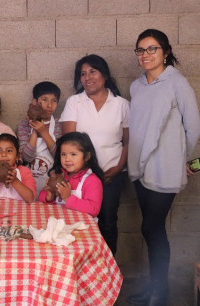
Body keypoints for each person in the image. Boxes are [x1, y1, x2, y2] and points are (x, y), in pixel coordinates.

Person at [126, 29, 200, 306]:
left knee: (152, 226)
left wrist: (186, 161)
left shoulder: (177, 83)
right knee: (150, 229)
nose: (145, 55)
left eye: (152, 49)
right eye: (141, 50)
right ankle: (153, 287)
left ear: (165, 52)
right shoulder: (136, 86)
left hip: (164, 167)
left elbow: (193, 127)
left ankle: (160, 291)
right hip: (139, 167)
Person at [59, 54, 129, 254]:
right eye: (82, 74)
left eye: (92, 71)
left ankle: (107, 271)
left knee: (107, 222)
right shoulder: (75, 102)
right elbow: (69, 141)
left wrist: (117, 168)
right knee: (79, 221)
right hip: (83, 176)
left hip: (111, 174)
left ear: (104, 74)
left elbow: (128, 142)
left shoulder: (121, 104)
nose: (87, 77)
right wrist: (86, 173)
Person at [38, 132, 104, 218]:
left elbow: (94, 209)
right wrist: (49, 197)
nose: (67, 159)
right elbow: (41, 196)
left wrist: (68, 198)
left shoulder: (92, 181)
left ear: (87, 156)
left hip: (82, 227)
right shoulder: (59, 176)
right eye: (63, 154)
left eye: (73, 154)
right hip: (59, 224)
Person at [18, 81, 62, 197]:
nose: (49, 105)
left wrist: (43, 131)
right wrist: (34, 131)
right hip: (28, 183)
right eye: (44, 99)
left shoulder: (59, 125)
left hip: (51, 184)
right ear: (35, 102)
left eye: (54, 100)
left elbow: (59, 157)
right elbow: (26, 157)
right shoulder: (24, 126)